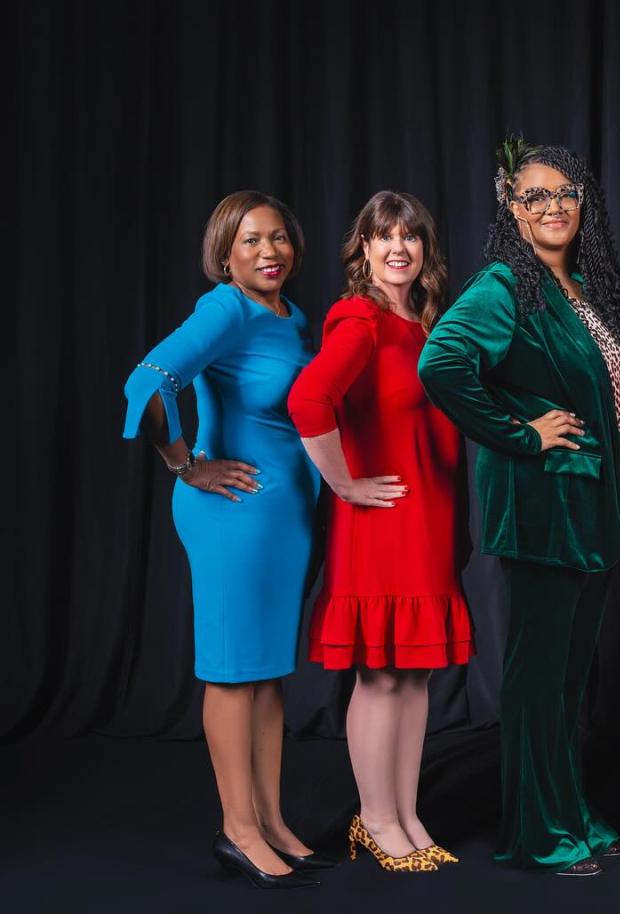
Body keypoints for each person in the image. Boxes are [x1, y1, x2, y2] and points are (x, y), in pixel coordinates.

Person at [418, 138, 620, 877]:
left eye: (566, 193)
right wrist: (520, 433)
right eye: (535, 196)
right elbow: (442, 364)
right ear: (511, 209)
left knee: (570, 677)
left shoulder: (581, 286)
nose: (553, 207)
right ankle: (536, 830)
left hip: (596, 505)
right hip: (545, 506)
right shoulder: (502, 286)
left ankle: (569, 808)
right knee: (536, 675)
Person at [122, 191, 327, 889]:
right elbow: (148, 381)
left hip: (283, 517)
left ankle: (269, 819)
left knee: (269, 674)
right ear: (224, 253)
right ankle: (236, 829)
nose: (268, 252)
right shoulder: (225, 309)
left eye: (277, 238)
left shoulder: (289, 314)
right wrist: (187, 463)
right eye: (249, 242)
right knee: (234, 672)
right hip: (232, 515)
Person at [287, 191, 472, 874]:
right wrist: (341, 482)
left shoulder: (423, 324)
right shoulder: (359, 318)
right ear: (362, 249)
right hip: (382, 523)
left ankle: (406, 812)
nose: (399, 248)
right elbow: (308, 399)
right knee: (383, 674)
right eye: (383, 236)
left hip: (428, 520)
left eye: (411, 237)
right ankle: (374, 819)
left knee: (415, 675)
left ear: (425, 249)